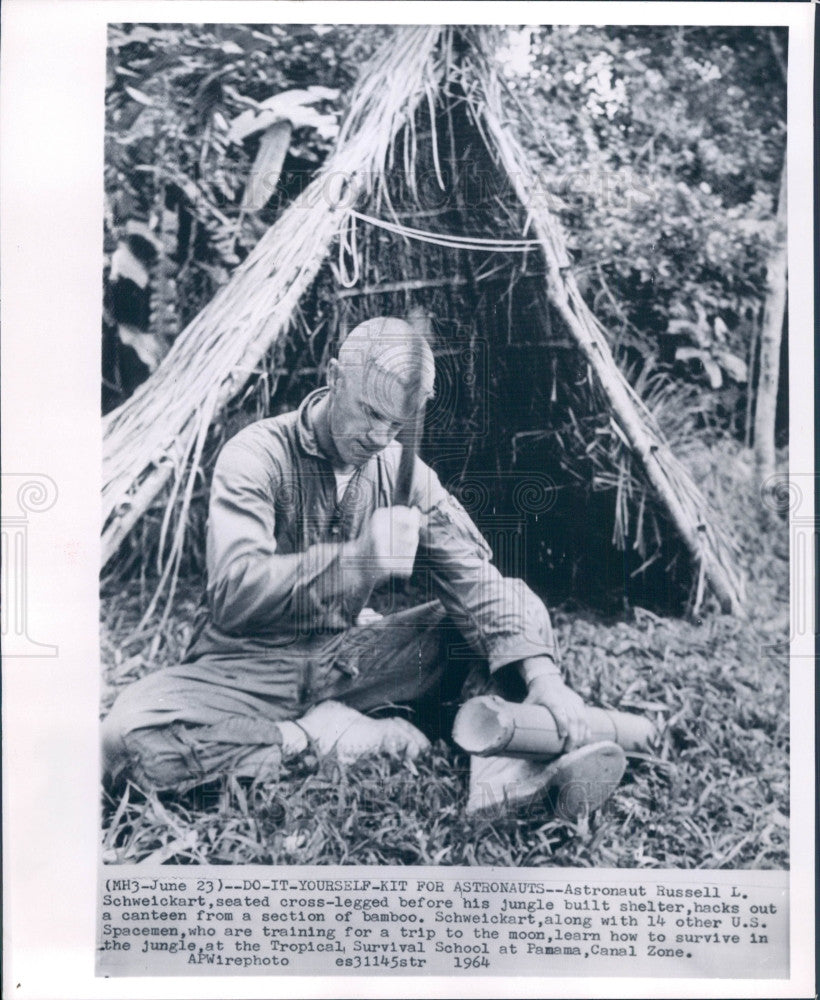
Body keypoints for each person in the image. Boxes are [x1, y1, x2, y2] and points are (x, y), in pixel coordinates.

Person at [102, 316, 626, 818]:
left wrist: (543, 676)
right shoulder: (256, 455)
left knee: (505, 606)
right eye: (371, 413)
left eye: (397, 423)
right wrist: (356, 563)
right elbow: (235, 590)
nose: (380, 436)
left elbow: (476, 581)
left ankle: (504, 767)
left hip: (348, 661)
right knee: (125, 740)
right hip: (245, 666)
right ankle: (321, 735)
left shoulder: (404, 473)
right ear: (334, 377)